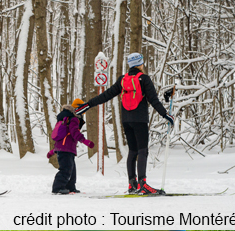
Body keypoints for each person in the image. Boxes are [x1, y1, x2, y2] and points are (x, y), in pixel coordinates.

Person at [75, 52, 175, 195]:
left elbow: (106, 95)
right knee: (142, 150)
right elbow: (153, 100)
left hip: (126, 120)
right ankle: (142, 184)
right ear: (140, 64)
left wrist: (88, 105)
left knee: (132, 151)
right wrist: (165, 115)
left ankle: (132, 184)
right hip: (140, 120)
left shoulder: (122, 80)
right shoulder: (144, 79)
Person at [47, 98, 95, 194]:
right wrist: (85, 141)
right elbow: (74, 133)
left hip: (66, 148)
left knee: (71, 170)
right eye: (83, 111)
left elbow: (61, 136)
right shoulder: (73, 119)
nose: (83, 114)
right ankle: (57, 188)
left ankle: (70, 187)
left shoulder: (65, 119)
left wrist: (54, 150)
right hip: (66, 148)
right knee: (66, 169)